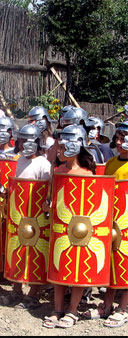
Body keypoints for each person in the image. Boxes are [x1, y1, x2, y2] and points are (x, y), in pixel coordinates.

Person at [42, 124, 98, 329]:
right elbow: (52, 200)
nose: (58, 149)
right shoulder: (57, 170)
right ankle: (57, 309)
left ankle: (73, 310)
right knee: (59, 268)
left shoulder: (87, 174)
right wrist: (47, 205)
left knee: (77, 270)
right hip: (60, 228)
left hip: (79, 231)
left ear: (76, 146)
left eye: (62, 146)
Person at [0, 124, 50, 309]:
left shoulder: (44, 164)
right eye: (19, 140)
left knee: (36, 254)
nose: (20, 144)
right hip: (20, 215)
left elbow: (47, 192)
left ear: (34, 142)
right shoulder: (20, 161)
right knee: (18, 252)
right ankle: (16, 290)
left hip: (37, 218)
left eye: (24, 140)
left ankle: (33, 294)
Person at [82, 122, 128, 327]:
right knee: (112, 266)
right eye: (117, 137)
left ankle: (124, 308)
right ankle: (107, 305)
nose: (118, 142)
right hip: (112, 223)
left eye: (122, 138)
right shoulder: (110, 164)